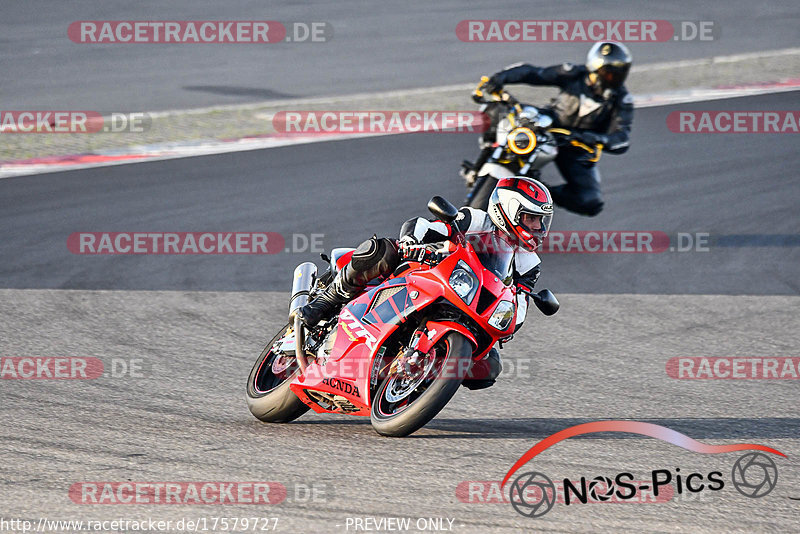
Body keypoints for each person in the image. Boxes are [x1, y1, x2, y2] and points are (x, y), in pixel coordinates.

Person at [295, 177, 554, 389]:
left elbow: (519, 301)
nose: (537, 226)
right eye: (531, 218)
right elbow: (423, 225)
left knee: (488, 367)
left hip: (469, 306)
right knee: (382, 251)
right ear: (508, 210)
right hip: (430, 273)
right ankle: (325, 301)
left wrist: (510, 323)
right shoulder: (476, 220)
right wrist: (412, 243)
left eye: (541, 220)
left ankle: (424, 376)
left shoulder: (529, 262)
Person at [476, 41, 633, 216]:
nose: (614, 79)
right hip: (548, 124)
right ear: (594, 70)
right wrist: (500, 78)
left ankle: (539, 191)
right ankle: (486, 154)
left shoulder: (622, 99)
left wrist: (593, 138)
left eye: (619, 74)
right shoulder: (574, 74)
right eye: (609, 74)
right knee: (499, 108)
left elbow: (622, 139)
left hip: (577, 146)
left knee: (590, 201)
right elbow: (534, 73)